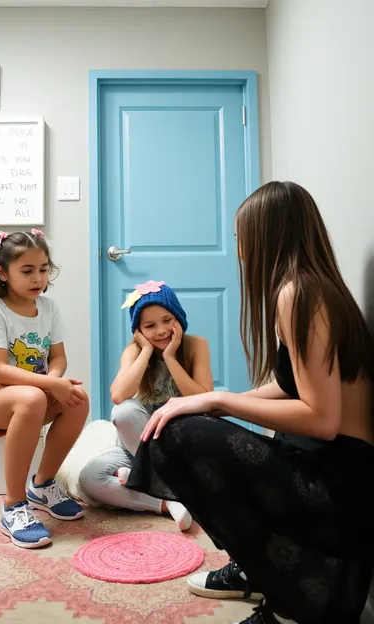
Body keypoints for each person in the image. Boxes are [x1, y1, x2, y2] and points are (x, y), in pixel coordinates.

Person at [126, 183, 374, 624]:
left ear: (266, 235)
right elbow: (290, 386)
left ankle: (277, 588)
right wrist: (214, 403)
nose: (239, 248)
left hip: (340, 484)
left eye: (242, 237)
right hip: (332, 468)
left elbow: (322, 419)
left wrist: (217, 400)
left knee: (174, 435)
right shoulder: (312, 288)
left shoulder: (299, 294)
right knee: (185, 417)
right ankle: (266, 571)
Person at [0, 229, 89, 549]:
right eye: (27, 270)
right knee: (33, 395)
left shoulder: (48, 307)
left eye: (44, 269)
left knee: (78, 399)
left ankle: (43, 485)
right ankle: (13, 505)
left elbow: (58, 357)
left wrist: (58, 382)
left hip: (32, 394)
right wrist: (50, 383)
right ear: (2, 272)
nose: (38, 277)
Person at [79, 280, 213, 530]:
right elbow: (118, 395)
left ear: (179, 318)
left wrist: (171, 358)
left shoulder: (196, 346)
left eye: (167, 320)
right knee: (90, 476)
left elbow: (203, 400)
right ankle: (168, 502)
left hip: (177, 447)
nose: (161, 331)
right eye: (149, 326)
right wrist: (145, 352)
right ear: (138, 331)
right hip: (135, 447)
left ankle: (145, 480)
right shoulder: (134, 352)